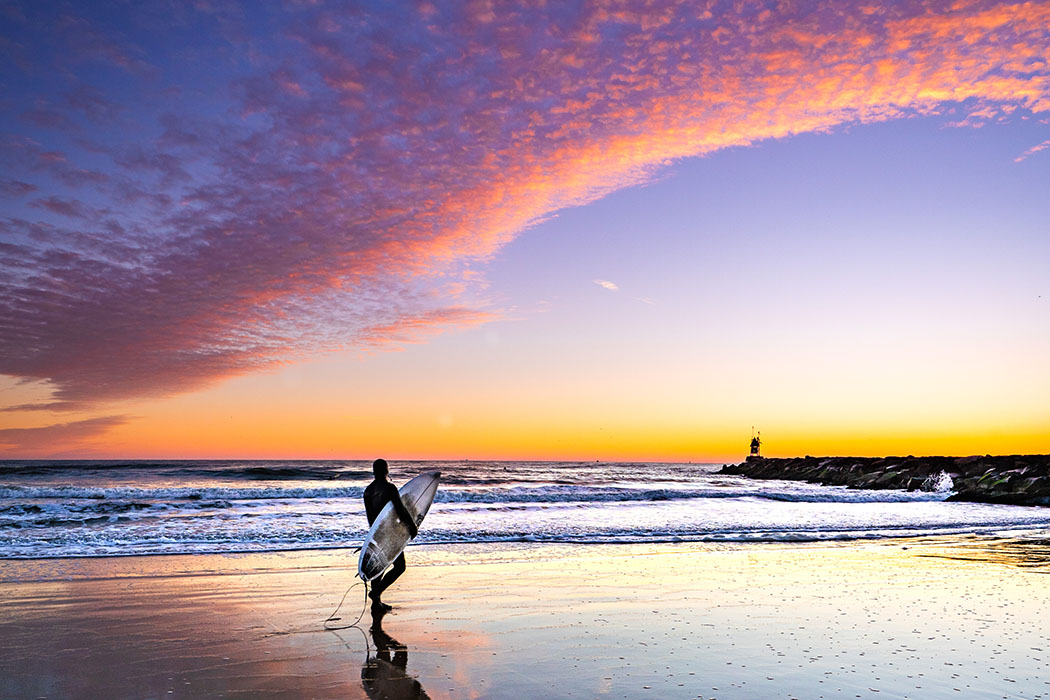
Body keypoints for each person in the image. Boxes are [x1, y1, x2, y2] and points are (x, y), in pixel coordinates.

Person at [363, 458, 418, 611]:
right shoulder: (390, 488)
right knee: (400, 566)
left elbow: (370, 518)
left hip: (376, 533)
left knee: (379, 568)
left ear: (374, 471)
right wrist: (411, 527)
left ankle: (376, 604)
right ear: (386, 470)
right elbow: (400, 510)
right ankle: (376, 593)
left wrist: (372, 536)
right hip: (390, 533)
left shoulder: (367, 491)